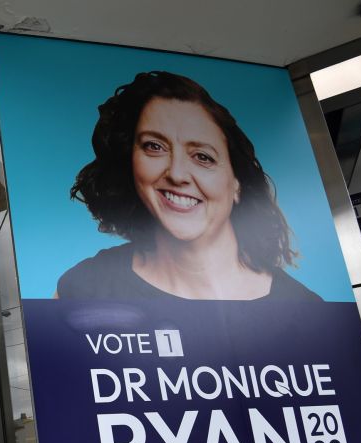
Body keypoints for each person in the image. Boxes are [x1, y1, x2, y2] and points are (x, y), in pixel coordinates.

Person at [60, 70, 321, 302]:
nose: (176, 173)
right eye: (154, 146)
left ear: (237, 183)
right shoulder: (85, 287)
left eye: (202, 157)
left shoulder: (306, 312)